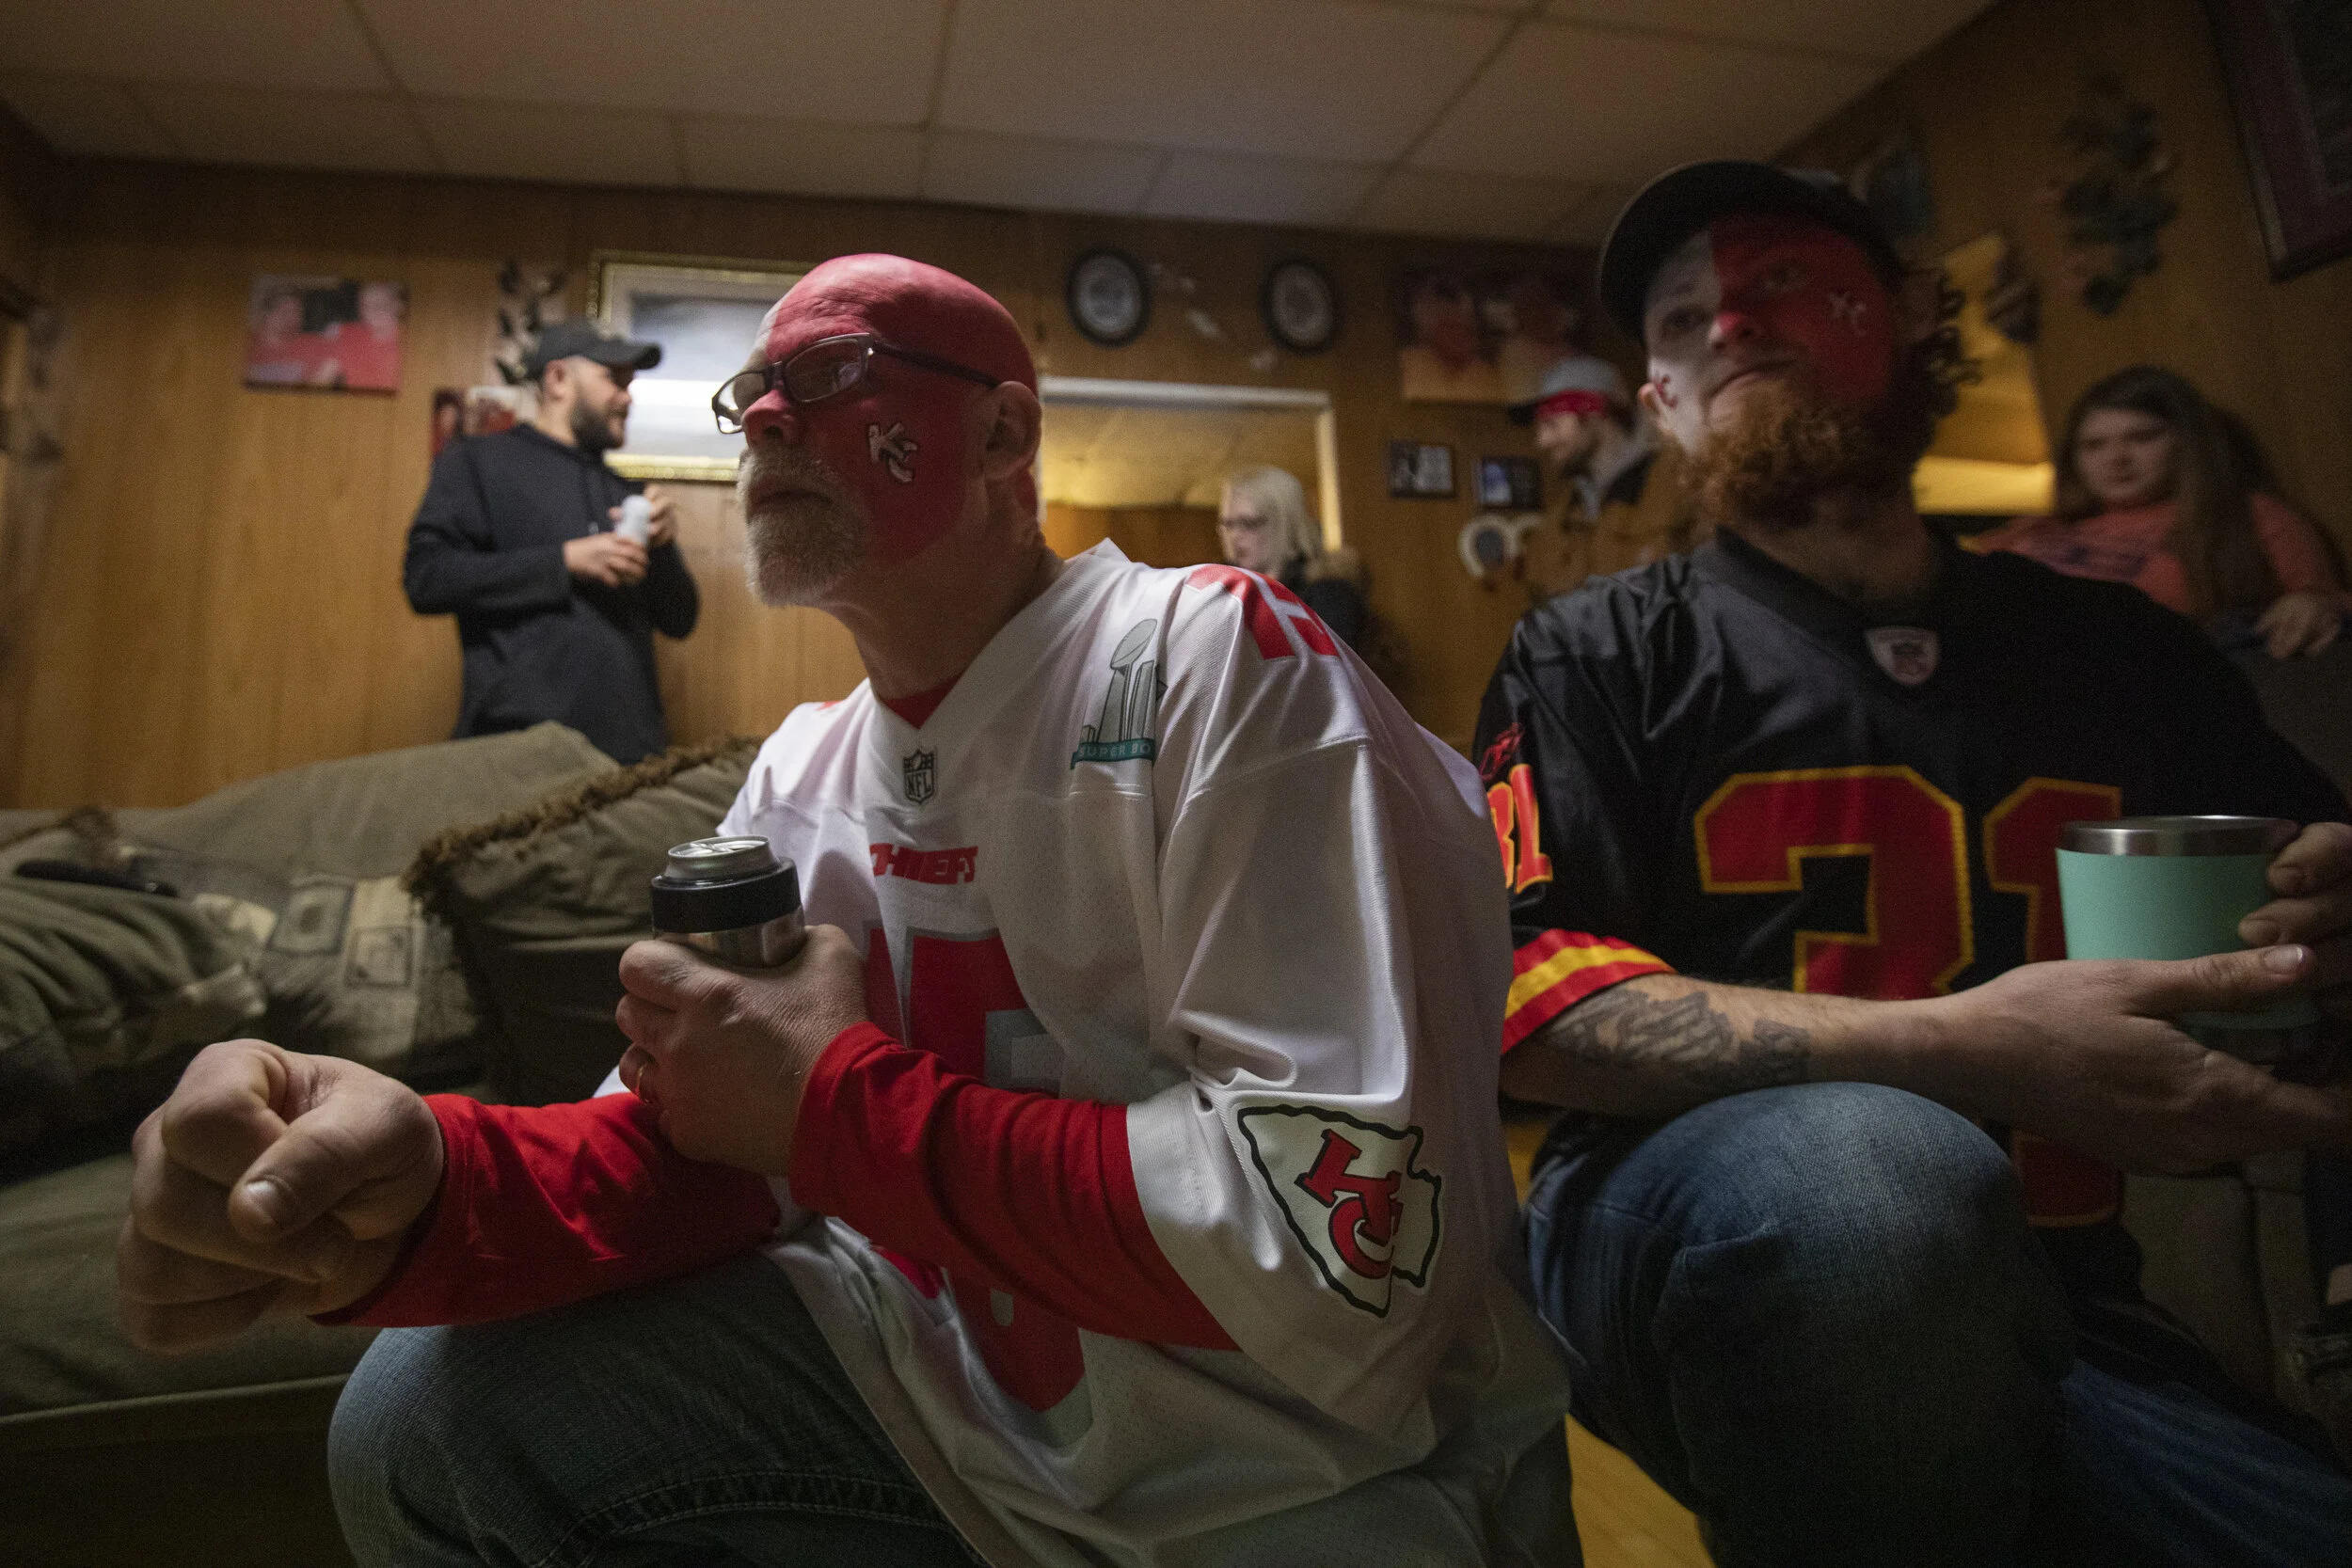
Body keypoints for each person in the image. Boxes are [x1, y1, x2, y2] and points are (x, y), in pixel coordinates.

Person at [119, 255, 1577, 1568]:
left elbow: (1339, 1251)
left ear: (1006, 435)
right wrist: (433, 1178)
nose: (761, 420)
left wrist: (833, 1104)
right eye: (754, 393)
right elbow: (709, 1137)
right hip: (959, 1429)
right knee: (422, 1418)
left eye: (826, 378)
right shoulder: (801, 762)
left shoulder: (1218, 658)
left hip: (1304, 1479)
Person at [1474, 161, 2352, 1566]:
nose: (1734, 327)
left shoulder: (2123, 651)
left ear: (1908, 319)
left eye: (1781, 285)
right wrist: (1972, 1047)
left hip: (2064, 1287)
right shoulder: (1595, 650)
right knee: (1873, 1184)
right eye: (1687, 321)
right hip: (1680, 1233)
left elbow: (2302, 904)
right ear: (1661, 406)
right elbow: (1527, 999)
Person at [402, 319, 698, 764]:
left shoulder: (627, 493)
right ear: (558, 379)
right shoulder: (478, 463)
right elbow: (427, 579)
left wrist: (662, 549)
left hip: (631, 760)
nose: (627, 395)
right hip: (512, 755)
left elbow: (680, 619)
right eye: (612, 378)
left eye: (630, 382)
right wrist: (564, 562)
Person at [1975, 365, 2349, 659]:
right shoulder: (2038, 531)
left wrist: (2314, 603)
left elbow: (2321, 599)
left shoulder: (2247, 515)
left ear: (2187, 441)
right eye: (2094, 445)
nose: (2116, 459)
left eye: (2142, 438)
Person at [1505, 354, 1687, 597]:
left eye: (1551, 424)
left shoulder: (1678, 487)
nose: (1542, 441)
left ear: (1592, 409)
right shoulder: (1560, 518)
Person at [1215, 464, 1368, 650]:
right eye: (1228, 524)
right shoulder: (1220, 593)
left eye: (1249, 523)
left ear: (1285, 524)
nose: (1235, 535)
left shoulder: (1328, 596)